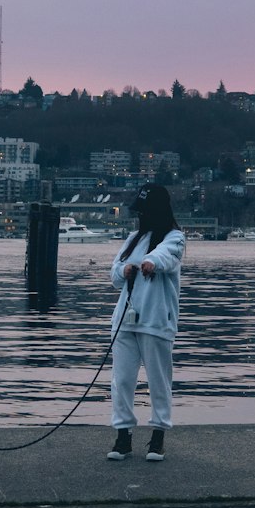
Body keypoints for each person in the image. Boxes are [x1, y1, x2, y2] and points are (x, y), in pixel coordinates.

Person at [107, 182, 185, 461]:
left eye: (145, 211)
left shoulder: (175, 237)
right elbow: (114, 274)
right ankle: (123, 435)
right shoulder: (132, 239)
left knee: (158, 380)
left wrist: (152, 261)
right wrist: (124, 269)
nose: (141, 217)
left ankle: (158, 435)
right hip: (124, 322)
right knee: (122, 380)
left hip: (155, 321)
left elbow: (167, 256)